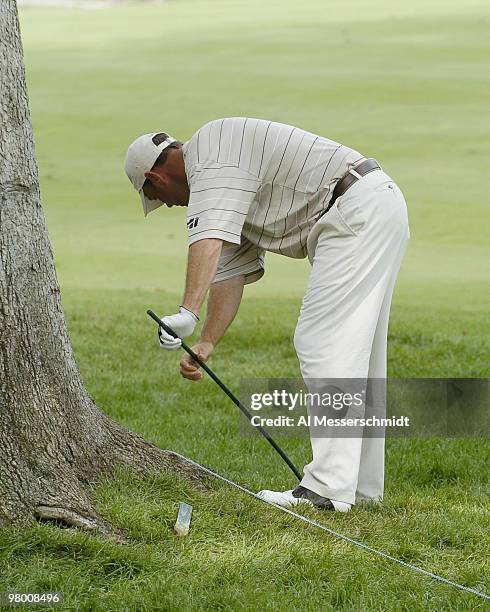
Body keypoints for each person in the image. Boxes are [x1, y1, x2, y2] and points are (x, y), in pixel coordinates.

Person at [124, 117, 410, 512]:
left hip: (354, 209)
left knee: (323, 343)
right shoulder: (225, 187)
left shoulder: (210, 156)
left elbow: (205, 240)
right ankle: (360, 488)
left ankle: (327, 490)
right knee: (361, 353)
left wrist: (187, 312)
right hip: (373, 204)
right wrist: (206, 341)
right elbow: (230, 271)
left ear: (155, 177)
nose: (171, 205)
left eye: (162, 199)